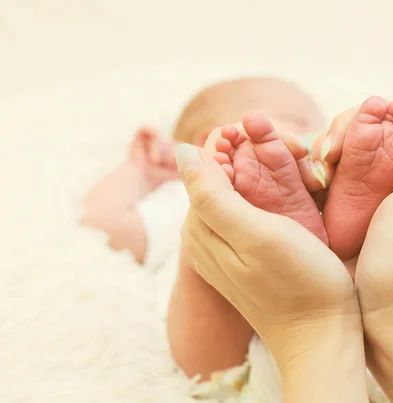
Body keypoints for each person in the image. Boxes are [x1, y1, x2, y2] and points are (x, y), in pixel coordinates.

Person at [175, 94, 393, 402]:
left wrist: (313, 317)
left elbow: (121, 230)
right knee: (203, 251)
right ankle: (245, 229)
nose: (290, 138)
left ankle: (342, 250)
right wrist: (138, 174)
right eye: (272, 124)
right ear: (204, 142)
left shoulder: (318, 172)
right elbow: (123, 232)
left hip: (311, 365)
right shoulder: (167, 201)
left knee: (210, 255)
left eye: (306, 125)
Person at [80, 77, 326, 379]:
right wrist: (140, 172)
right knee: (208, 244)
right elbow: (104, 224)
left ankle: (336, 238)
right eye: (297, 123)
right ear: (211, 140)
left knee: (347, 247)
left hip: (330, 335)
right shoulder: (179, 198)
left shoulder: (321, 190)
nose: (317, 137)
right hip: (227, 364)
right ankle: (221, 228)